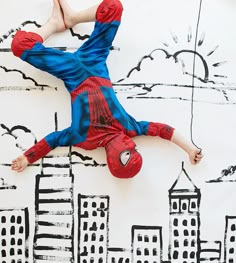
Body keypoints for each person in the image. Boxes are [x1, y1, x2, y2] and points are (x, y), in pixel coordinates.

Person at [11, 0, 202, 178]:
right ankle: (72, 18)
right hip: (95, 61)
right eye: (136, 150)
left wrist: (28, 157)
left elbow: (53, 140)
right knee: (113, 6)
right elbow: (163, 130)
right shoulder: (129, 128)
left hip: (71, 73)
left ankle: (53, 24)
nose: (132, 144)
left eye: (128, 153)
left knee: (20, 45)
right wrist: (190, 148)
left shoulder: (84, 139)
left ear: (113, 159)